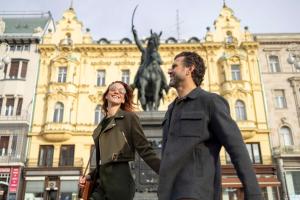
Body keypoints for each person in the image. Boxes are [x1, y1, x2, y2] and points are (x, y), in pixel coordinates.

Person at [158, 52, 262, 200]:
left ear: (189, 69)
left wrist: (254, 194)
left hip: (196, 193)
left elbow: (237, 148)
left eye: (174, 66)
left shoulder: (210, 102)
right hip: (168, 193)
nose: (169, 70)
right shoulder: (171, 109)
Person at [79, 81, 160, 200]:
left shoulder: (129, 118)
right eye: (113, 89)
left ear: (123, 99)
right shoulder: (101, 125)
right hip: (101, 184)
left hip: (119, 183)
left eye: (121, 91)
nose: (117, 92)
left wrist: (165, 171)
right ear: (106, 95)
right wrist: (90, 176)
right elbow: (104, 160)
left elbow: (144, 149)